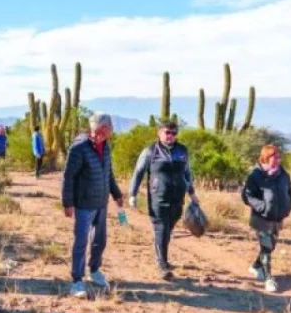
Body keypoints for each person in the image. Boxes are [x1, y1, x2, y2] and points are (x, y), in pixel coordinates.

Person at [61, 112, 125, 298]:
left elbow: (108, 173)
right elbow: (68, 177)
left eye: (110, 128)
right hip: (83, 204)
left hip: (101, 202)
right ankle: (77, 281)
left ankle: (94, 270)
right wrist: (68, 203)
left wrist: (116, 194)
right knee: (81, 242)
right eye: (108, 128)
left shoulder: (105, 146)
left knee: (99, 240)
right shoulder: (79, 147)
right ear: (99, 128)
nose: (110, 131)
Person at [129, 119, 197, 280]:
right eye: (167, 132)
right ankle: (163, 265)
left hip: (177, 198)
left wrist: (192, 193)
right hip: (158, 197)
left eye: (174, 133)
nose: (171, 136)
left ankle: (162, 257)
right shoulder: (150, 151)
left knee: (168, 231)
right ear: (159, 133)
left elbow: (187, 173)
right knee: (161, 229)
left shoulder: (182, 151)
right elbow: (138, 173)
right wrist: (132, 194)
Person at [240, 144, 291, 292]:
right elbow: (247, 196)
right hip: (261, 218)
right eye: (274, 156)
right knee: (266, 246)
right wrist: (262, 207)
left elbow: (289, 192)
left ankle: (256, 266)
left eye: (278, 156)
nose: (277, 159)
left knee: (271, 246)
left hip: (277, 218)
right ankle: (268, 278)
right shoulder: (256, 175)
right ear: (266, 157)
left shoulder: (283, 174)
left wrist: (288, 207)